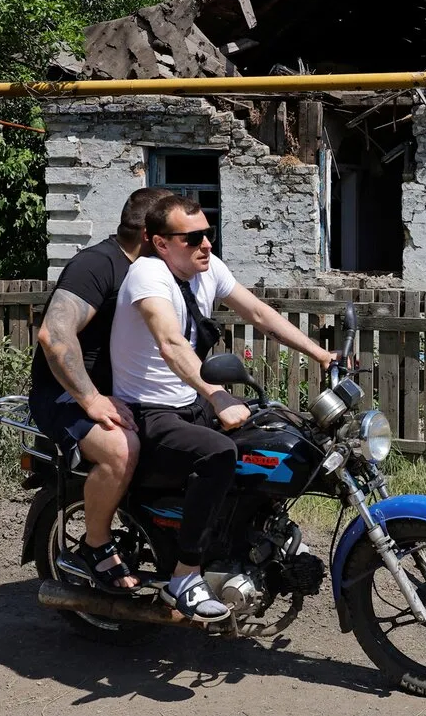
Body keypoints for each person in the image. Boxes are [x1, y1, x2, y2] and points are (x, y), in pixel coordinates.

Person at [110, 194, 336, 622]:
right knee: (218, 455)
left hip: (189, 401)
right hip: (149, 411)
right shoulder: (148, 276)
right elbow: (171, 343)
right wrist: (216, 394)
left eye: (208, 234)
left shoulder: (206, 269)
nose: (206, 244)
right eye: (192, 237)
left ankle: (254, 536)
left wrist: (320, 355)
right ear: (161, 244)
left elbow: (259, 312)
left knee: (273, 431)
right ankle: (185, 575)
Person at [30, 186, 175, 593]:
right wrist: (90, 398)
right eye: (173, 234)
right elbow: (54, 334)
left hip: (122, 392)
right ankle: (95, 544)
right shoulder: (96, 264)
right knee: (119, 449)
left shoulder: (150, 272)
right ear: (150, 236)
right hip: (64, 394)